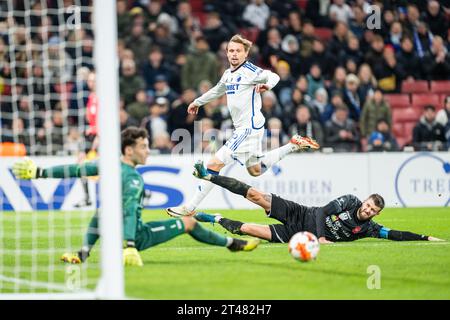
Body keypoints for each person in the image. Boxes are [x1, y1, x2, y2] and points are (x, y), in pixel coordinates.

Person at [12, 127, 260, 267]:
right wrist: (131, 246)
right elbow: (130, 211)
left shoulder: (107, 164)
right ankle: (234, 245)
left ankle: (83, 252)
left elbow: (75, 170)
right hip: (134, 236)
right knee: (189, 222)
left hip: (111, 232)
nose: (148, 150)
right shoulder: (132, 178)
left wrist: (40, 172)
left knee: (105, 210)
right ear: (129, 150)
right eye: (143, 146)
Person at [167, 34, 320, 217]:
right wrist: (198, 102)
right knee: (255, 170)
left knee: (214, 163)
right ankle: (292, 145)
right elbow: (217, 90)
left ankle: (190, 208)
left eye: (238, 51)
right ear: (226, 53)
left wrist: (267, 86)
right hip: (249, 128)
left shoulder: (249, 70)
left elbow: (273, 76)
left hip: (248, 129)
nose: (234, 54)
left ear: (245, 53)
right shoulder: (227, 74)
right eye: (231, 50)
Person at [191, 161, 444, 244]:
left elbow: (395, 234)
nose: (367, 210)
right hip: (301, 214)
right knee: (256, 194)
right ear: (364, 201)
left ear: (375, 214)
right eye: (368, 205)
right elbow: (323, 210)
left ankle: (215, 218)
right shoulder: (349, 201)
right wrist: (322, 238)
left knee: (247, 230)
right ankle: (209, 175)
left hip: (296, 236)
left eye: (372, 210)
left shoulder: (370, 229)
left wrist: (424, 238)